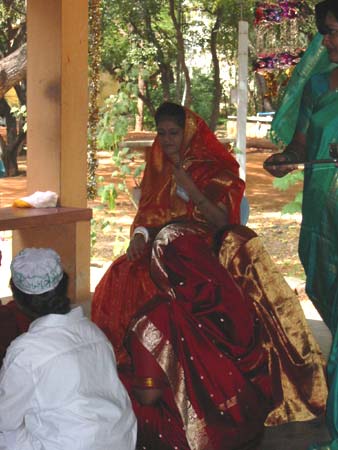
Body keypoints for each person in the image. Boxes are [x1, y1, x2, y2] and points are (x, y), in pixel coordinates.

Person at [92, 101, 328, 428]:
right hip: (161, 246)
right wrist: (140, 237)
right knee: (122, 273)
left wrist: (192, 191)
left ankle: (189, 384)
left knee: (170, 286)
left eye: (174, 133)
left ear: (189, 131)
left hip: (199, 249)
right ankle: (137, 372)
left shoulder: (215, 167)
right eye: (162, 133)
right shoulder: (157, 161)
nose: (168, 140)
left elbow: (223, 222)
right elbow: (148, 211)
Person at [263, 1, 338, 447]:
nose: (326, 41)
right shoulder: (316, 85)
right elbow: (302, 144)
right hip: (324, 221)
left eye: (333, 32)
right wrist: (286, 159)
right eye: (325, 32)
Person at [122, 232, 274, 450]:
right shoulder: (236, 303)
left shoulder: (155, 319)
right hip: (246, 423)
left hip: (187, 437)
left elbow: (148, 396)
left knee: (113, 385)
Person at [0, 248, 137, 450]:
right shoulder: (94, 333)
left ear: (18, 299)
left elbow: (5, 419)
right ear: (63, 287)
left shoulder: (26, 351)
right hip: (120, 439)